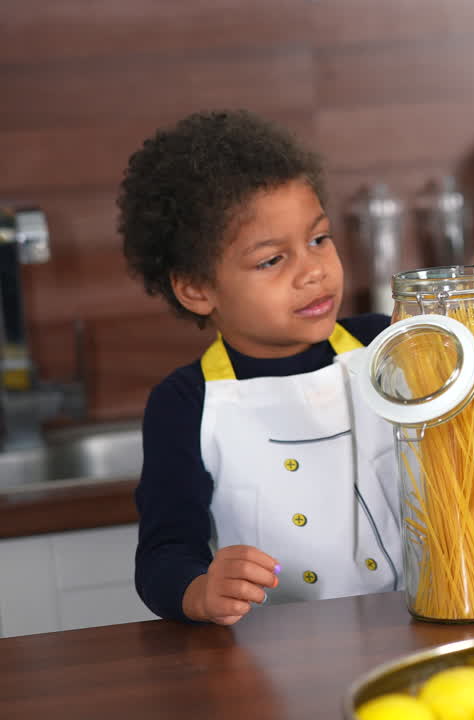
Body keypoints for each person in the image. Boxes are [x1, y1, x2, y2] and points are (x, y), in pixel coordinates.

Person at [120, 110, 401, 624]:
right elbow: (163, 554)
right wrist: (200, 589)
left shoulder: (384, 343)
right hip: (277, 660)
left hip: (412, 624)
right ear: (197, 289)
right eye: (272, 260)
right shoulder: (186, 402)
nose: (313, 271)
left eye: (319, 239)